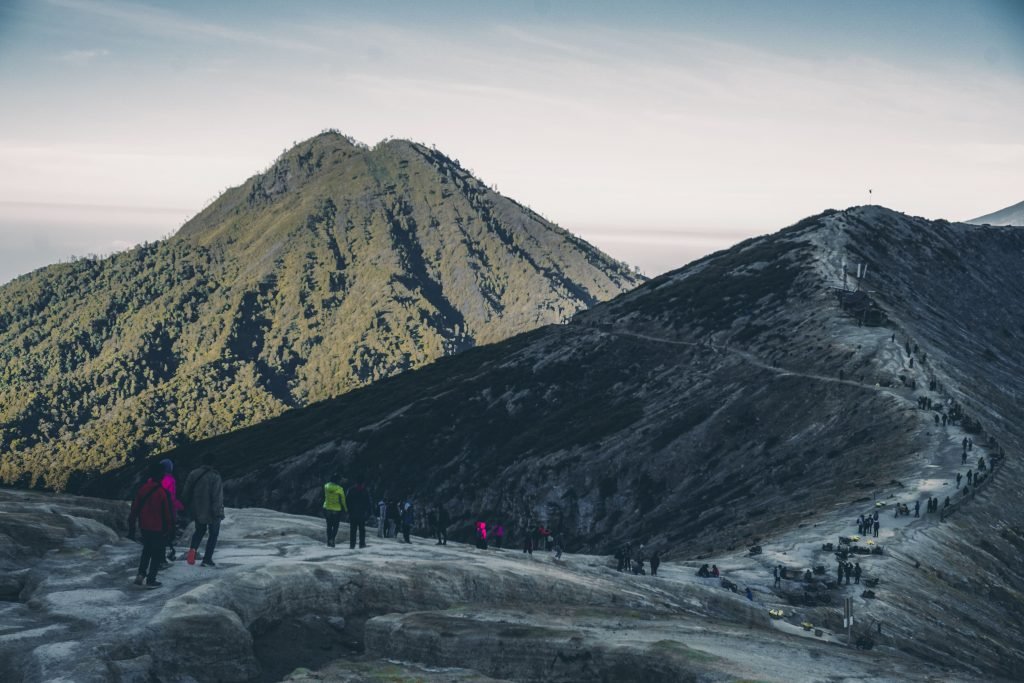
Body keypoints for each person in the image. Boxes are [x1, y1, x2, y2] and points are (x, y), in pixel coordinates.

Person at [129, 460, 174, 588]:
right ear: (161, 475)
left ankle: (140, 574)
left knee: (146, 550)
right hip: (158, 528)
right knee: (156, 554)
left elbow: (135, 508)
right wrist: (169, 528)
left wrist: (132, 525)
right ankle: (151, 579)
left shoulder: (143, 489)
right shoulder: (162, 492)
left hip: (144, 526)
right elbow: (167, 513)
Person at [183, 453, 224, 567]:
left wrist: (186, 506)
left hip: (196, 508)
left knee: (199, 531)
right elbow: (217, 496)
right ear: (213, 463)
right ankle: (207, 559)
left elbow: (186, 492)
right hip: (211, 511)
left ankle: (192, 553)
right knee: (213, 534)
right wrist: (218, 512)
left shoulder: (193, 473)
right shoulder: (215, 476)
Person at [158, 458, 184, 564]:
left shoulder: (152, 479)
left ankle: (158, 558)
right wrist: (181, 506)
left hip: (154, 511)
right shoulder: (170, 480)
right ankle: (163, 559)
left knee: (157, 536)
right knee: (166, 535)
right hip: (167, 511)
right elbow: (171, 497)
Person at [322, 474, 347, 547]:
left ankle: (328, 540)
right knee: (335, 526)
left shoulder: (326, 486)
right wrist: (345, 508)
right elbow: (343, 500)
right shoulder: (340, 489)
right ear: (337, 480)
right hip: (336, 509)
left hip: (327, 508)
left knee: (329, 525)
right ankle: (332, 539)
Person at [347, 477, 372, 549]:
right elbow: (368, 503)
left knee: (353, 530)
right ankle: (362, 544)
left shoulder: (351, 490)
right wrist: (369, 513)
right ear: (363, 483)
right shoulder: (365, 491)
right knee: (362, 530)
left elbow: (347, 501)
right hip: (362, 514)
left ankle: (352, 545)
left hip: (353, 513)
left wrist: (349, 511)